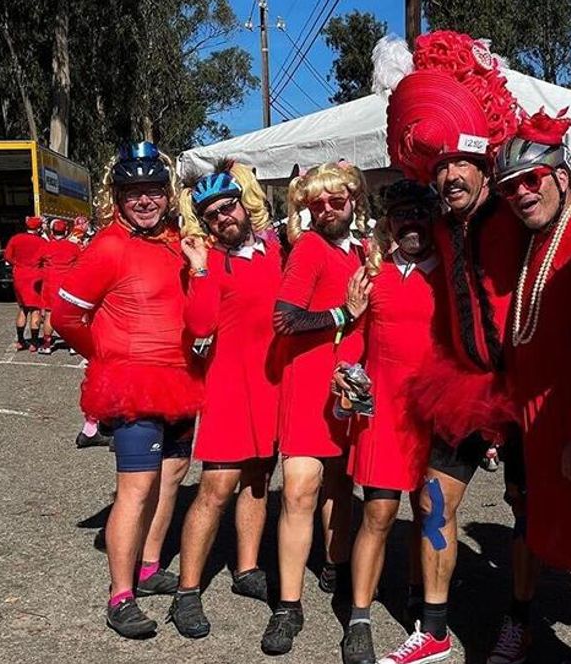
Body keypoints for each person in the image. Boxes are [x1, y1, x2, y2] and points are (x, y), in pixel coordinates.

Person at [374, 31, 526, 664]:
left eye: (459, 163)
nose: (448, 175)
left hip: (526, 386)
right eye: (437, 167)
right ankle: (434, 632)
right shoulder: (439, 221)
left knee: (528, 512)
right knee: (434, 498)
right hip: (464, 382)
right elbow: (397, 235)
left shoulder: (521, 214)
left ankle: (518, 622)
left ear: (485, 163)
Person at [52, 142, 202, 639]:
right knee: (136, 490)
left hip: (182, 382)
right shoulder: (108, 247)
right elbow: (66, 315)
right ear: (118, 197)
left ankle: (149, 566)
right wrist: (106, 356)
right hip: (134, 386)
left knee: (172, 478)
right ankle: (120, 596)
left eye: (153, 191)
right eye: (134, 192)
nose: (145, 201)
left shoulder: (177, 242)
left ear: (167, 195)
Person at [492, 107, 571, 663]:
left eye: (530, 179)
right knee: (555, 539)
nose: (519, 193)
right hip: (533, 425)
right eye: (509, 186)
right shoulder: (528, 239)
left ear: (561, 176)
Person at [166, 159, 283, 638]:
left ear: (242, 204)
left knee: (258, 480)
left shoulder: (275, 251)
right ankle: (186, 592)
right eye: (211, 214)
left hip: (272, 390)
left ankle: (247, 569)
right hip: (228, 393)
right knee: (214, 491)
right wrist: (198, 270)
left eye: (227, 207)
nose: (223, 218)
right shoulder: (205, 262)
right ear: (203, 221)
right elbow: (197, 327)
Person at [261, 161, 372, 656]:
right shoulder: (309, 248)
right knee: (300, 493)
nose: (326, 210)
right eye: (316, 203)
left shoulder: (365, 252)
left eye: (336, 200)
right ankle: (288, 604)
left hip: (348, 388)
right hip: (308, 388)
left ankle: (334, 564)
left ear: (353, 201)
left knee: (342, 487)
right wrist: (341, 314)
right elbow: (284, 320)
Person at [337, 180, 443, 664]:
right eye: (402, 215)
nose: (413, 223)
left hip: (434, 414)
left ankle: (419, 598)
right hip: (381, 413)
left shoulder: (451, 277)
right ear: (390, 223)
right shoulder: (370, 275)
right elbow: (352, 342)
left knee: (430, 513)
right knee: (378, 514)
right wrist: (344, 373)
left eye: (422, 213)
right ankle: (358, 617)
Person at [38, 218, 82, 354]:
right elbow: (81, 263)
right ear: (66, 231)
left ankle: (46, 344)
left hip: (51, 284)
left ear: (52, 231)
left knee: (49, 315)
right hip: (68, 285)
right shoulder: (73, 247)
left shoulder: (46, 246)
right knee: (69, 315)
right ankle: (73, 345)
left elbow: (37, 262)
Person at [3, 216, 48, 351]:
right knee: (35, 309)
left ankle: (21, 340)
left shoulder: (16, 238)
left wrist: (17, 264)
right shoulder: (42, 241)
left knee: (23, 308)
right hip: (36, 276)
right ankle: (34, 342)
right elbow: (46, 258)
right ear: (38, 228)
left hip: (20, 276)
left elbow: (7, 256)